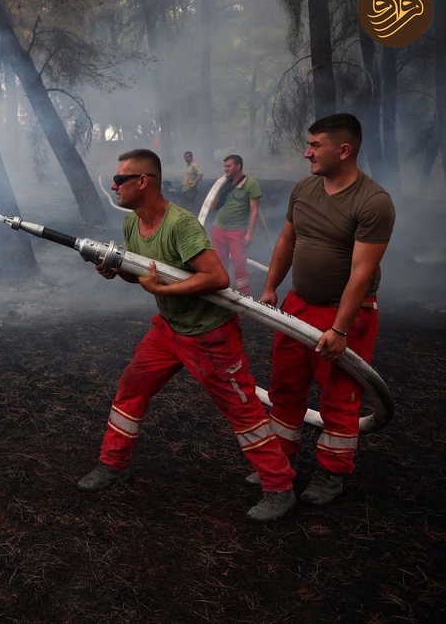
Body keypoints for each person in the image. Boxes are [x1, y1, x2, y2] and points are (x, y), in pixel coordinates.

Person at [77, 148, 296, 522]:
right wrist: (116, 269)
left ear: (143, 181)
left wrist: (161, 292)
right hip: (169, 330)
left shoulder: (181, 224)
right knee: (131, 388)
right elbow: (141, 271)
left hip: (210, 336)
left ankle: (279, 488)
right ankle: (111, 463)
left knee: (242, 410)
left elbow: (216, 277)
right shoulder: (132, 224)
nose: (113, 186)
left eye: (120, 179)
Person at [255, 113, 395, 506]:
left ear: (344, 150)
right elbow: (286, 242)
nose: (307, 153)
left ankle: (332, 475)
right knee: (285, 386)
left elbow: (361, 273)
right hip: (297, 305)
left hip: (345, 314)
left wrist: (341, 328)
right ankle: (280, 462)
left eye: (316, 146)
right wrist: (271, 290)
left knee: (339, 396)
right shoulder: (305, 188)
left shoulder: (373, 202)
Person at [211, 155, 261, 295]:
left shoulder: (251, 184)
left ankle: (244, 294)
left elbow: (255, 210)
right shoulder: (224, 183)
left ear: (238, 166)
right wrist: (217, 188)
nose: (225, 169)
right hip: (218, 229)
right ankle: (221, 290)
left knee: (239, 263)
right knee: (220, 262)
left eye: (229, 166)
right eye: (225, 166)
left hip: (237, 231)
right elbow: (213, 206)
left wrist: (250, 233)